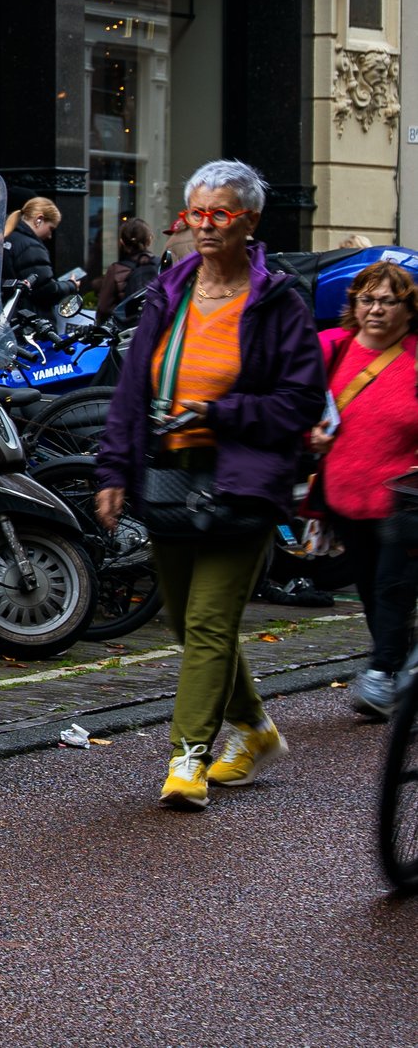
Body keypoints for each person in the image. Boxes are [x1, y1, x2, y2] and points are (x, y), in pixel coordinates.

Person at [95, 161, 325, 809]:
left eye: (218, 213)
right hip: (169, 475)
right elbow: (130, 391)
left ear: (249, 221)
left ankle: (187, 756)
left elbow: (301, 401)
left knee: (208, 620)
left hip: (244, 482)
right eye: (195, 212)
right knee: (186, 622)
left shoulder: (279, 300)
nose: (203, 225)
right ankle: (253, 728)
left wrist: (219, 412)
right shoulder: (169, 290)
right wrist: (113, 470)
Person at [307, 259, 418, 719]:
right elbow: (303, 411)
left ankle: (381, 671)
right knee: (372, 589)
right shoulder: (331, 348)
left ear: (408, 309)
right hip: (347, 499)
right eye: (366, 299)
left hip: (404, 503)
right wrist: (310, 435)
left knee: (393, 586)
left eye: (387, 301)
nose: (375, 309)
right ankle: (400, 671)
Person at [1, 196, 66, 314]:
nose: (50, 235)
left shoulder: (3, 237)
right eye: (51, 228)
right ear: (39, 219)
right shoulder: (31, 246)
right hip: (25, 316)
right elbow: (46, 291)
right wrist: (70, 285)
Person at [96, 216, 162, 323]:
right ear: (149, 239)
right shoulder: (161, 265)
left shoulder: (116, 270)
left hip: (128, 331)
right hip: (156, 328)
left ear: (122, 242)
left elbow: (104, 307)